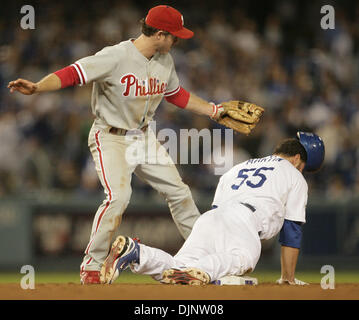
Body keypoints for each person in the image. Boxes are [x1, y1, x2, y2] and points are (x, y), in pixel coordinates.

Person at [8, 5, 258, 284]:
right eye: (174, 36)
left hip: (143, 137)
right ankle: (92, 266)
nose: (177, 41)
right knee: (118, 197)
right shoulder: (115, 56)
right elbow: (73, 73)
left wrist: (213, 110)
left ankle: (207, 256)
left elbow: (176, 94)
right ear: (160, 34)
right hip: (111, 136)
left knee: (180, 193)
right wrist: (38, 87)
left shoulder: (165, 61)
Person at [100, 132, 325, 285]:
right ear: (296, 159)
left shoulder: (238, 167)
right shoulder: (293, 174)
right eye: (304, 166)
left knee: (180, 265)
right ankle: (204, 272)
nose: (302, 170)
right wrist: (288, 278)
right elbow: (291, 230)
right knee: (243, 259)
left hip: (212, 217)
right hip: (245, 219)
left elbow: (219, 209)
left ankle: (138, 253)